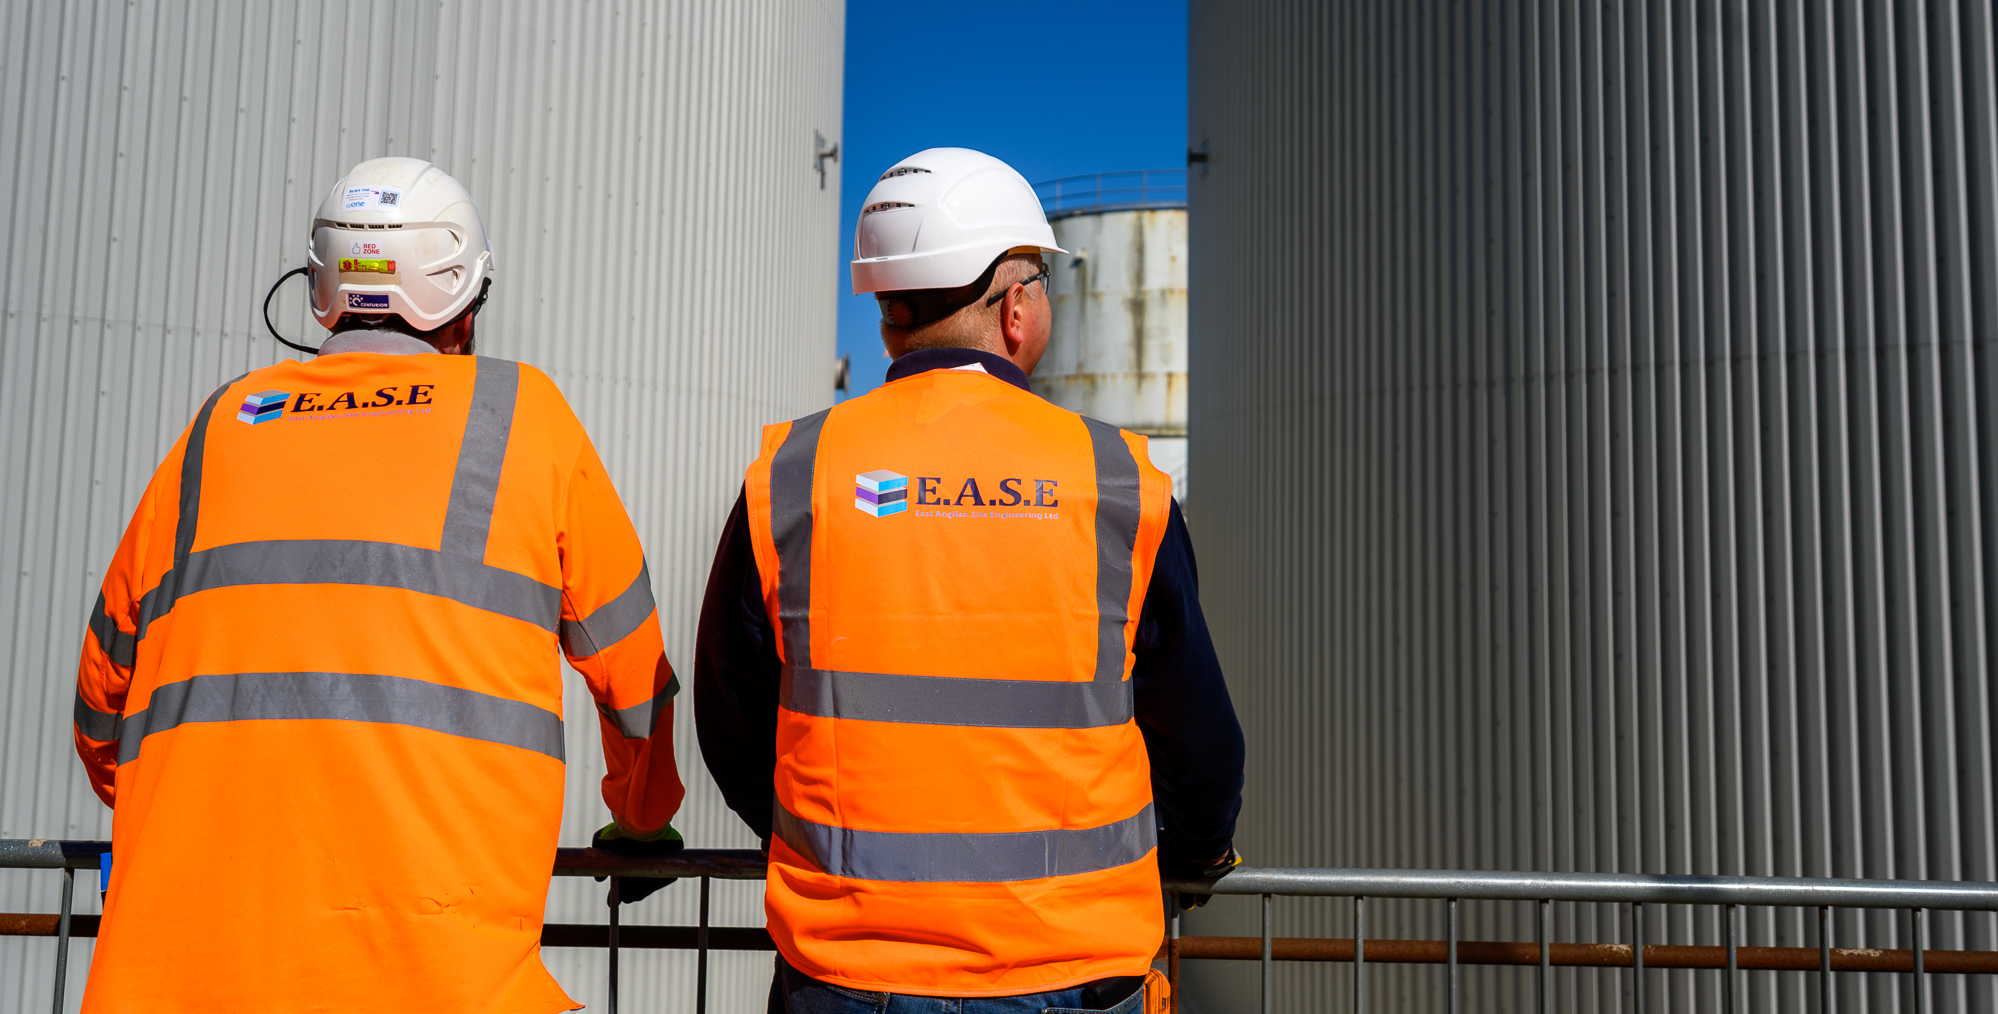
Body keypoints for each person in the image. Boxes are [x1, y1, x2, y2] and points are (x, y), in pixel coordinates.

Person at [72, 157, 684, 1013]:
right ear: (466, 307)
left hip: (171, 979)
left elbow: (101, 704)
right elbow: (634, 677)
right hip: (437, 980)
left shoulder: (222, 423)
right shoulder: (522, 417)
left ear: (321, 292)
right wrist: (644, 813)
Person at [696, 147, 1245, 1013]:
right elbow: (1202, 740)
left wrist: (826, 856)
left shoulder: (796, 472)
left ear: (887, 314)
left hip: (846, 977)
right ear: (1017, 306)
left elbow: (730, 714)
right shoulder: (1118, 481)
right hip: (1071, 976)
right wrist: (1198, 851)